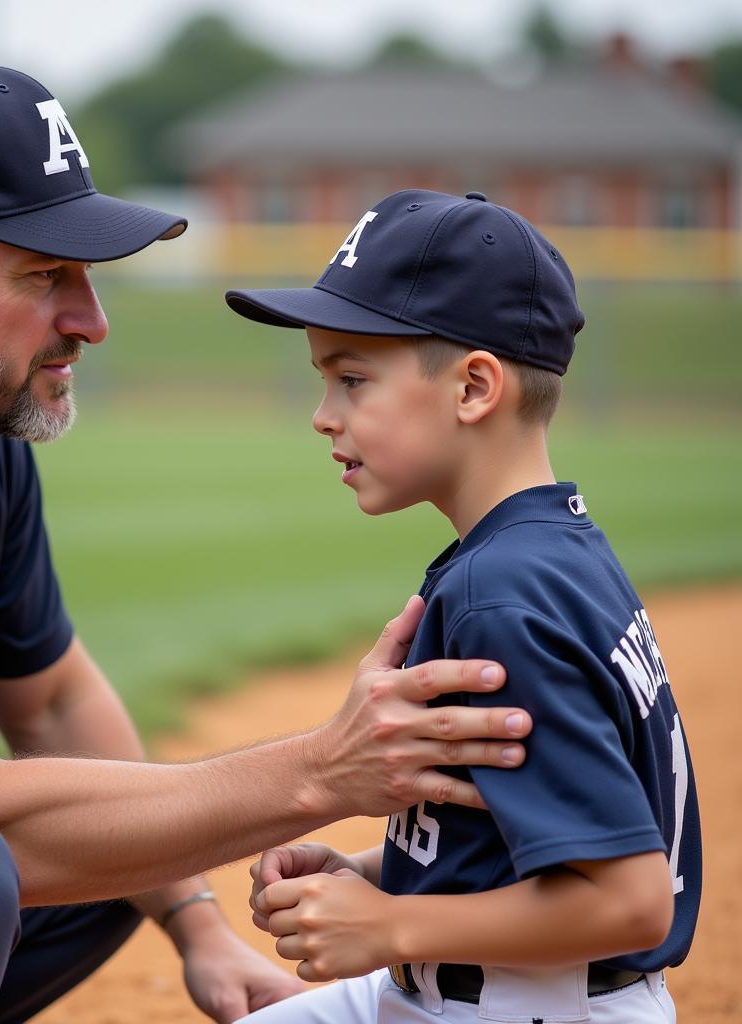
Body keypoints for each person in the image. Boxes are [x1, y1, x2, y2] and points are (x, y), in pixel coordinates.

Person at [0, 60, 537, 1024]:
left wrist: (195, 925)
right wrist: (325, 769)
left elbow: (55, 698)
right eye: (44, 274)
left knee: (124, 856)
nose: (92, 321)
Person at [226, 188, 701, 1024]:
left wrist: (393, 923)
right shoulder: (552, 546)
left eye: (352, 379)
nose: (321, 415)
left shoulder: (501, 597)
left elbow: (632, 902)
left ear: (475, 387)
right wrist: (373, 875)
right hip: (479, 987)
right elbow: (509, 835)